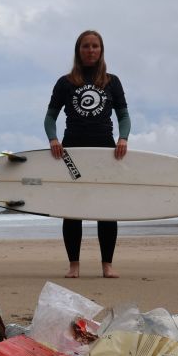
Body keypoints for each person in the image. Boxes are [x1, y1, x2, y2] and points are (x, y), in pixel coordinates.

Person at [45, 30, 131, 279]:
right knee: (73, 209)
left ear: (101, 50)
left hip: (105, 151)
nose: (90, 50)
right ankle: (74, 265)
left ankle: (107, 265)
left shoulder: (112, 81)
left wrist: (123, 138)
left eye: (95, 46)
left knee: (106, 209)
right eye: (86, 46)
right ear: (78, 50)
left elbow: (123, 116)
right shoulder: (65, 82)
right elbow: (50, 117)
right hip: (72, 151)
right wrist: (53, 139)